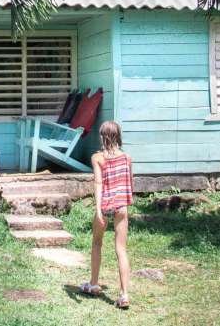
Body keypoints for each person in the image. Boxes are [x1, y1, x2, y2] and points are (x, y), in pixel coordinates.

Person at [80, 120, 133, 309]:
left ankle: (93, 284)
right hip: (121, 206)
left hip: (105, 205)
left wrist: (98, 209)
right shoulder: (127, 157)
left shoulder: (98, 158)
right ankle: (124, 295)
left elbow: (98, 183)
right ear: (118, 136)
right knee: (121, 250)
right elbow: (129, 183)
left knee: (96, 243)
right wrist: (126, 203)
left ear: (102, 136)